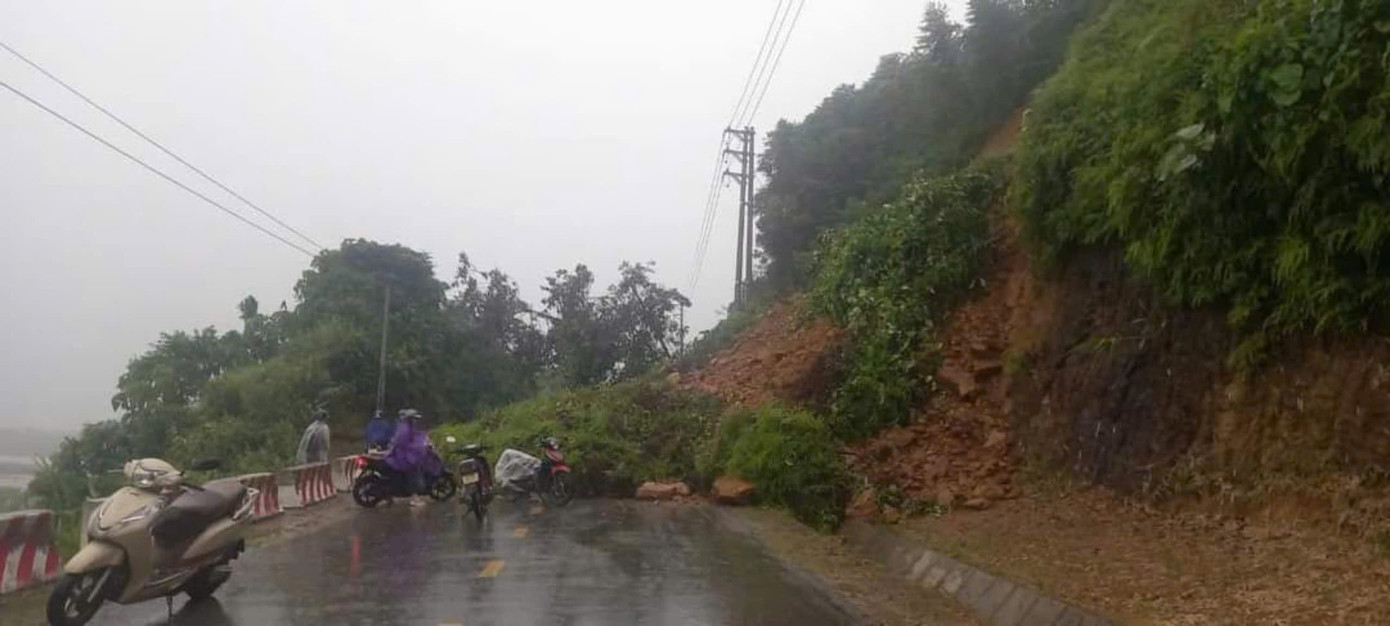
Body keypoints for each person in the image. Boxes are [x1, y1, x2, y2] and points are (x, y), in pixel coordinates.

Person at [385, 409, 430, 506]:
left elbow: (415, 437)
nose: (415, 421)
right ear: (410, 419)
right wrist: (419, 447)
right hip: (404, 457)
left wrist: (423, 441)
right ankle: (415, 499)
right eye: (414, 419)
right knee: (414, 473)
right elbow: (403, 444)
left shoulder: (405, 427)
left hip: (402, 454)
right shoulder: (405, 429)